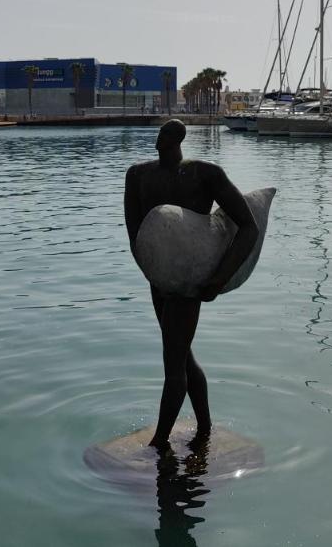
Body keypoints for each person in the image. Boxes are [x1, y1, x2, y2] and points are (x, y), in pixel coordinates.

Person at [123, 119, 258, 452]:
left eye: (168, 134)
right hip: (159, 281)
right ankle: (205, 427)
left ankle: (159, 443)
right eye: (161, 132)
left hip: (188, 284)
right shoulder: (138, 175)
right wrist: (149, 270)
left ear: (179, 139)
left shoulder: (204, 174)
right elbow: (135, 233)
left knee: (174, 363)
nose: (161, 138)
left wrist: (218, 278)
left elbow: (248, 227)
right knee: (182, 358)